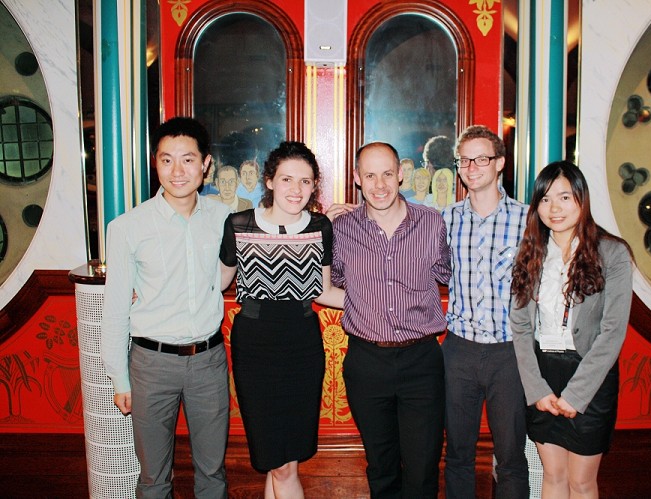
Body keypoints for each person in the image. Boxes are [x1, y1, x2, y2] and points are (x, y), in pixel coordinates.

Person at [101, 116, 231, 498]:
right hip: (151, 364)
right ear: (155, 163)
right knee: (154, 478)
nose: (178, 171)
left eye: (188, 159)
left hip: (208, 361)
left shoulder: (224, 219)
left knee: (213, 473)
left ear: (205, 163)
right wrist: (119, 379)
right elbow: (115, 309)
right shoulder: (127, 227)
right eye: (167, 159)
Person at [219, 141, 343, 499]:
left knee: (285, 460)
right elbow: (217, 283)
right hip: (255, 349)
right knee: (277, 461)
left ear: (314, 185)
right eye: (287, 179)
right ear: (270, 181)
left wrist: (377, 303)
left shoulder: (320, 226)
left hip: (303, 348)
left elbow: (323, 291)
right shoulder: (240, 224)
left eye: (305, 181)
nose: (296, 189)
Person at [328, 142, 451, 498]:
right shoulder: (341, 229)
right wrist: (322, 224)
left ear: (401, 175)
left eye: (386, 174)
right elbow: (325, 282)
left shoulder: (431, 223)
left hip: (422, 361)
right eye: (370, 175)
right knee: (381, 466)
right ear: (357, 178)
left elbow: (451, 275)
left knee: (423, 467)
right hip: (367, 361)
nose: (379, 185)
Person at [510, 161, 633, 498]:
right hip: (543, 375)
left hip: (590, 377)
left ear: (582, 199)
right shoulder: (530, 252)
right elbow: (520, 326)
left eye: (564, 197)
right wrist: (536, 388)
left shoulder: (613, 253)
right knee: (553, 476)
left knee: (581, 482)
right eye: (545, 199)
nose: (554, 208)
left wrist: (576, 395)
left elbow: (612, 332)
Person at [441, 125, 530, 499]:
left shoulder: (529, 220)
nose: (471, 167)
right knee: (457, 454)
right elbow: (398, 224)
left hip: (509, 352)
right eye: (464, 160)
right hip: (458, 350)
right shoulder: (445, 219)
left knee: (510, 457)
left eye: (481, 159)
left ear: (500, 164)